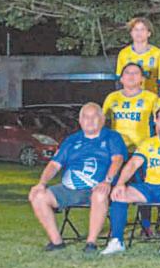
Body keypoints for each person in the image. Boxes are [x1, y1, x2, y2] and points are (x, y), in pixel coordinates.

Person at [28, 103, 126, 252]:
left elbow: (117, 160)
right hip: (69, 189)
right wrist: (42, 183)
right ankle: (56, 242)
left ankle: (91, 243)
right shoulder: (71, 140)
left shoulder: (112, 137)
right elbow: (54, 164)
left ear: (102, 119)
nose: (90, 121)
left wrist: (107, 181)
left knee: (100, 195)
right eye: (86, 117)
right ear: (80, 121)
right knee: (37, 196)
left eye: (94, 117)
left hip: (98, 188)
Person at [102, 105, 160, 255]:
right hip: (149, 187)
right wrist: (119, 184)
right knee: (119, 194)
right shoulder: (148, 143)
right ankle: (117, 240)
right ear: (156, 121)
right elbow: (133, 164)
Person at [103, 63, 158, 152]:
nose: (131, 76)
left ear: (142, 78)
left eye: (135, 73)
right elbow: (102, 123)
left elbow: (159, 125)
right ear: (121, 79)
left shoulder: (152, 98)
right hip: (116, 149)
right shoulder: (112, 97)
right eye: (127, 73)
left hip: (142, 150)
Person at [116, 17, 160, 94]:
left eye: (142, 30)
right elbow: (119, 80)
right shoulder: (124, 53)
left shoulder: (158, 53)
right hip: (130, 97)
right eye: (136, 30)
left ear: (149, 33)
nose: (139, 33)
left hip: (151, 96)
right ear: (131, 33)